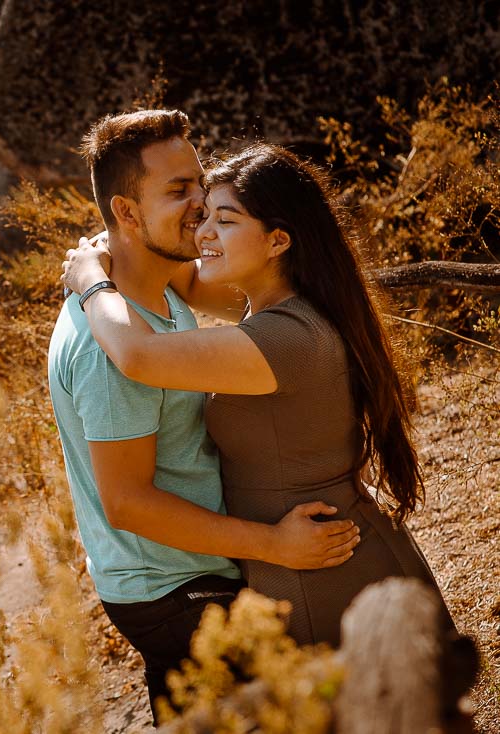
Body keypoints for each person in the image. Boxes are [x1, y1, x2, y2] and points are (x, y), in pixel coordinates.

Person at [62, 139, 455, 652]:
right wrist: (123, 228)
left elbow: (136, 354)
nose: (204, 232)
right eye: (201, 214)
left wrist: (90, 278)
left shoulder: (283, 339)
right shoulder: (281, 303)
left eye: (224, 221)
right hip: (312, 557)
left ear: (277, 241)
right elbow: (182, 267)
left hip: (325, 572)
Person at [46, 110, 360, 724]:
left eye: (200, 181)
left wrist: (96, 269)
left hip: (188, 574)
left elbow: (235, 286)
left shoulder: (155, 291)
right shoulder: (108, 350)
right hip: (176, 589)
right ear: (127, 215)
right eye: (178, 190)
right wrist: (274, 544)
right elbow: (129, 504)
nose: (201, 203)